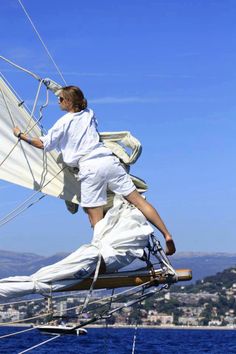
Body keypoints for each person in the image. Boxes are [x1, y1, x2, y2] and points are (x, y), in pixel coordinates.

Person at [13, 86, 176, 255]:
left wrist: (20, 135)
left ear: (68, 102)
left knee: (94, 217)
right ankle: (167, 234)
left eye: (61, 99)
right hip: (109, 161)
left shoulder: (63, 122)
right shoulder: (89, 113)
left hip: (89, 167)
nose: (58, 101)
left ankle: (101, 254)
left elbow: (42, 144)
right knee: (139, 201)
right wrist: (54, 87)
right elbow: (74, 98)